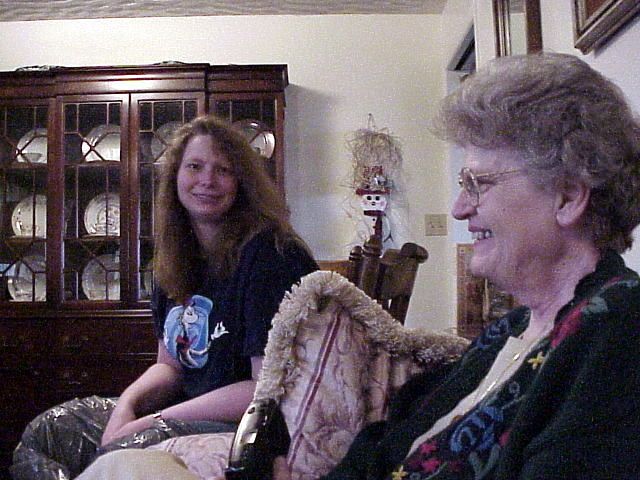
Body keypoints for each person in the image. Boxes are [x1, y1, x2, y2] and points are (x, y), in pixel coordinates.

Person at [76, 52, 640, 480]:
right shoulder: (508, 334)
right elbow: (378, 452)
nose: (459, 208)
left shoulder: (617, 335)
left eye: (478, 183)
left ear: (568, 196)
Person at [11, 114, 318, 480]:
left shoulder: (271, 255)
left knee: (119, 453)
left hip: (248, 426)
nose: (207, 180)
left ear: (242, 182)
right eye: (195, 166)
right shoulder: (177, 256)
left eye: (223, 170)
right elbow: (170, 366)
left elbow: (262, 389)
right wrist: (127, 405)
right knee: (46, 432)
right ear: (175, 176)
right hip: (183, 409)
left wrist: (151, 420)